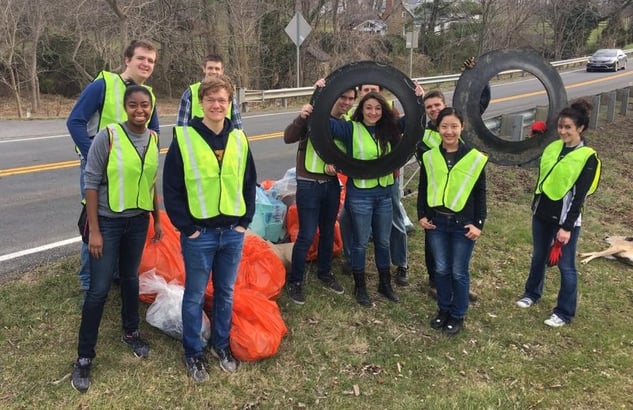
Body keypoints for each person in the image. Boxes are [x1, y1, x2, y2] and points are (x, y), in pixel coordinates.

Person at [163, 75, 257, 381]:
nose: (217, 105)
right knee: (194, 295)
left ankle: (221, 345)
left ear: (230, 104)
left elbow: (248, 183)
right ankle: (193, 353)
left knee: (226, 293)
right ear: (201, 103)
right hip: (199, 234)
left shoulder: (239, 138)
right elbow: (172, 188)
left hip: (232, 232)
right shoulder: (185, 137)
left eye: (223, 100)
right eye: (211, 100)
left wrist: (245, 222)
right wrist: (186, 227)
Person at [71, 85, 163, 393]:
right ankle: (84, 357)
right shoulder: (107, 136)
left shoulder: (153, 138)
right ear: (126, 108)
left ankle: (131, 332)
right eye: (134, 105)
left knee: (130, 280)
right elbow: (91, 183)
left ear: (151, 108)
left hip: (137, 222)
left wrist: (157, 219)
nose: (140, 110)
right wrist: (94, 231)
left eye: (145, 105)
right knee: (97, 291)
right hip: (108, 224)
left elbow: (150, 183)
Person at [67, 39, 159, 298]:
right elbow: (75, 122)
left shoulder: (147, 95)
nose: (146, 64)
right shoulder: (103, 85)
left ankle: (116, 274)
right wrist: (95, 157)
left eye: (151, 61)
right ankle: (88, 283)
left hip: (130, 171)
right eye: (141, 58)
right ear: (127, 59)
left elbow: (155, 132)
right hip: (99, 169)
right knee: (93, 223)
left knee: (126, 218)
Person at [516, 99, 601, 327]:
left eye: (568, 128)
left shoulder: (587, 157)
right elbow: (533, 166)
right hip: (542, 212)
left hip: (565, 220)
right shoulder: (553, 147)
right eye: (560, 127)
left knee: (566, 267)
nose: (563, 131)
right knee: (538, 257)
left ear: (580, 128)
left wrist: (567, 227)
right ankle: (532, 293)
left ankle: (564, 312)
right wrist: (533, 140)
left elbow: (579, 197)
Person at [417, 107, 487, 336]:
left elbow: (480, 193)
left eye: (454, 126)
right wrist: (422, 215)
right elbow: (424, 188)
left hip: (462, 224)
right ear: (438, 129)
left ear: (462, 128)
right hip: (437, 222)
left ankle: (458, 315)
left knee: (458, 271)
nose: (449, 131)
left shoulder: (475, 158)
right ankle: (443, 309)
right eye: (444, 126)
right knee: (441, 269)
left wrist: (479, 223)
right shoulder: (429, 156)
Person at [282, 88, 357, 304]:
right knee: (306, 234)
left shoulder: (348, 124)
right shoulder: (314, 117)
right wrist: (301, 118)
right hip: (308, 185)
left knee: (327, 231)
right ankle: (295, 281)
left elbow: (350, 154)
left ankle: (325, 272)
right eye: (343, 96)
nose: (347, 102)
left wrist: (340, 167)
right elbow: (288, 137)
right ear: (334, 96)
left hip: (331, 185)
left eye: (351, 99)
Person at [330, 92, 402, 306]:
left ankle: (384, 284)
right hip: (360, 194)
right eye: (368, 108)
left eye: (378, 108)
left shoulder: (389, 130)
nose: (373, 112)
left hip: (385, 193)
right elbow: (324, 124)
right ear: (361, 110)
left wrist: (418, 97)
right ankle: (360, 287)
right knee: (360, 243)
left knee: (383, 241)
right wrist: (321, 94)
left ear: (384, 110)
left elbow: (416, 121)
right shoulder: (350, 129)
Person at [176, 54, 242, 129]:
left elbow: (237, 125)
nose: (213, 72)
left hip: (224, 138)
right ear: (204, 69)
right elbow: (181, 127)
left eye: (217, 69)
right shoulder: (190, 92)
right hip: (196, 139)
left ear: (222, 71)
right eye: (210, 68)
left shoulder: (228, 92)